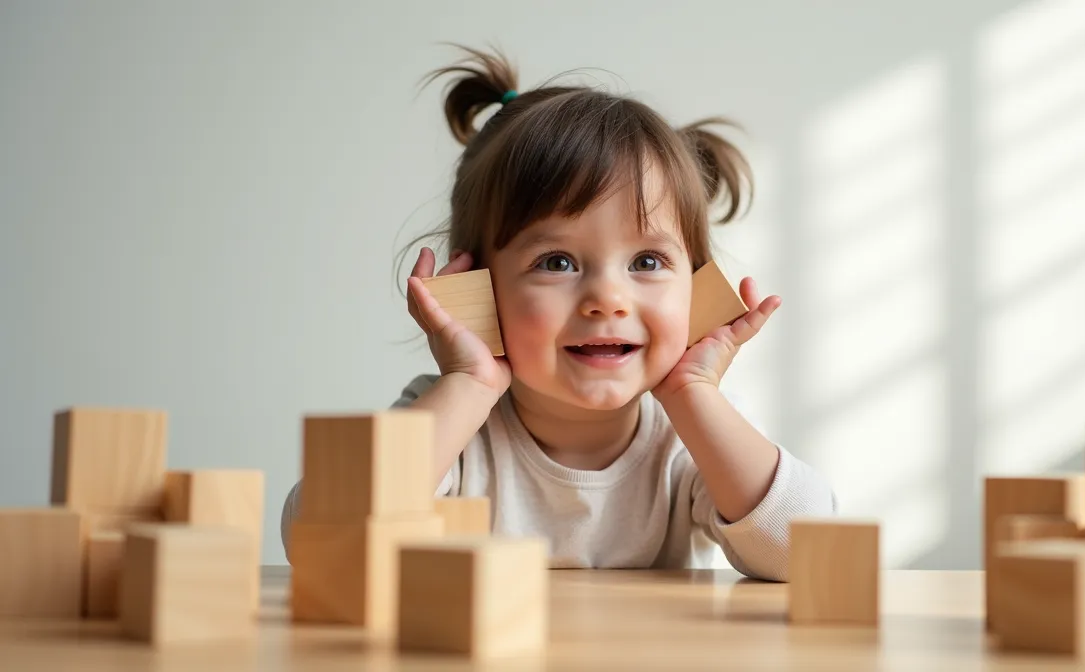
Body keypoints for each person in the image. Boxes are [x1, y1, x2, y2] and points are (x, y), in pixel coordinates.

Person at [280, 45, 835, 581]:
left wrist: (693, 396)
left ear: (697, 287)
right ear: (477, 287)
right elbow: (322, 541)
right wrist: (469, 383)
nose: (607, 298)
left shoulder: (688, 432)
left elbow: (812, 552)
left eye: (646, 260)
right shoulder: (452, 423)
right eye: (558, 261)